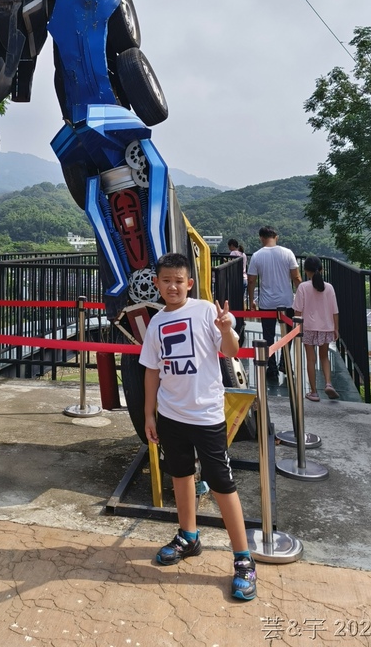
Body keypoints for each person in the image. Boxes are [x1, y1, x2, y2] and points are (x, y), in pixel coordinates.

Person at [141, 252, 257, 602]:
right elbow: (151, 370)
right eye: (166, 281)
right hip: (171, 414)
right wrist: (149, 414)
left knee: (221, 482)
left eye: (179, 280)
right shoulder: (156, 322)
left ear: (189, 283)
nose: (172, 286)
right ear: (157, 284)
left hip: (206, 415)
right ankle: (188, 537)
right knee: (180, 475)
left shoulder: (207, 310)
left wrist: (226, 329)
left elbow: (230, 350)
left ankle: (243, 559)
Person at [246, 227, 300, 383]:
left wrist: (251, 301)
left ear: (261, 238)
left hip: (267, 303)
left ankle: (272, 367)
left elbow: (251, 280)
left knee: (268, 336)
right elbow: (296, 277)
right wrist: (302, 298)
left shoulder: (257, 256)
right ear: (276, 237)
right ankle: (285, 362)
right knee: (288, 334)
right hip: (287, 301)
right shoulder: (287, 253)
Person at [293, 256, 340, 401]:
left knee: (310, 359)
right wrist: (336, 329)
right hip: (326, 327)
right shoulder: (329, 287)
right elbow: (335, 311)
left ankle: (313, 392)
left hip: (308, 327)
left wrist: (296, 328)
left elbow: (297, 311)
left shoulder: (303, 287)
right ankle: (328, 383)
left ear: (306, 271)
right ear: (321, 269)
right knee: (324, 357)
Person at [227, 238, 248, 343]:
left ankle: (236, 319)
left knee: (234, 300)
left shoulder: (233, 253)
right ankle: (242, 320)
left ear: (231, 246)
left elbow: (231, 265)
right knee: (241, 300)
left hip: (236, 280)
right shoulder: (243, 254)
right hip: (244, 279)